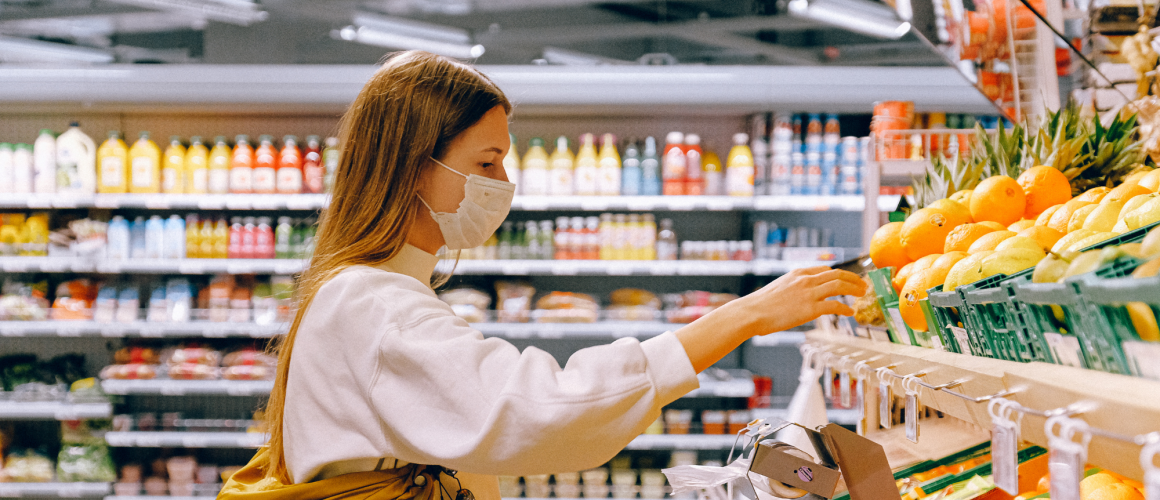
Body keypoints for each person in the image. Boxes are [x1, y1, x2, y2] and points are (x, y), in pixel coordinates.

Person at [218, 50, 866, 500]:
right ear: (416, 166)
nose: (506, 183)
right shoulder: (371, 305)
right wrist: (744, 315)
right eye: (489, 161)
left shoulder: (370, 290)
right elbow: (539, 410)